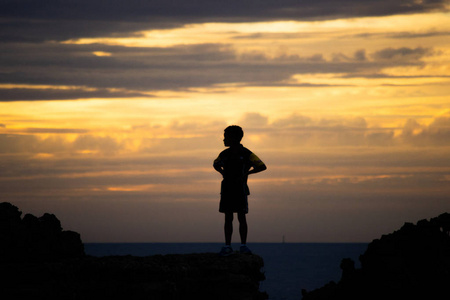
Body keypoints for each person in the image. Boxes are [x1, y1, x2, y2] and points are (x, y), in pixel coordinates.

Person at [213, 125, 267, 256]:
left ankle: (243, 245)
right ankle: (228, 245)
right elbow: (215, 163)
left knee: (241, 217)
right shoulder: (224, 154)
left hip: (240, 189)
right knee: (228, 217)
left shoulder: (246, 153)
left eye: (226, 137)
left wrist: (247, 173)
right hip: (226, 189)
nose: (223, 140)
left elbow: (262, 166)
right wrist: (222, 172)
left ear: (234, 138)